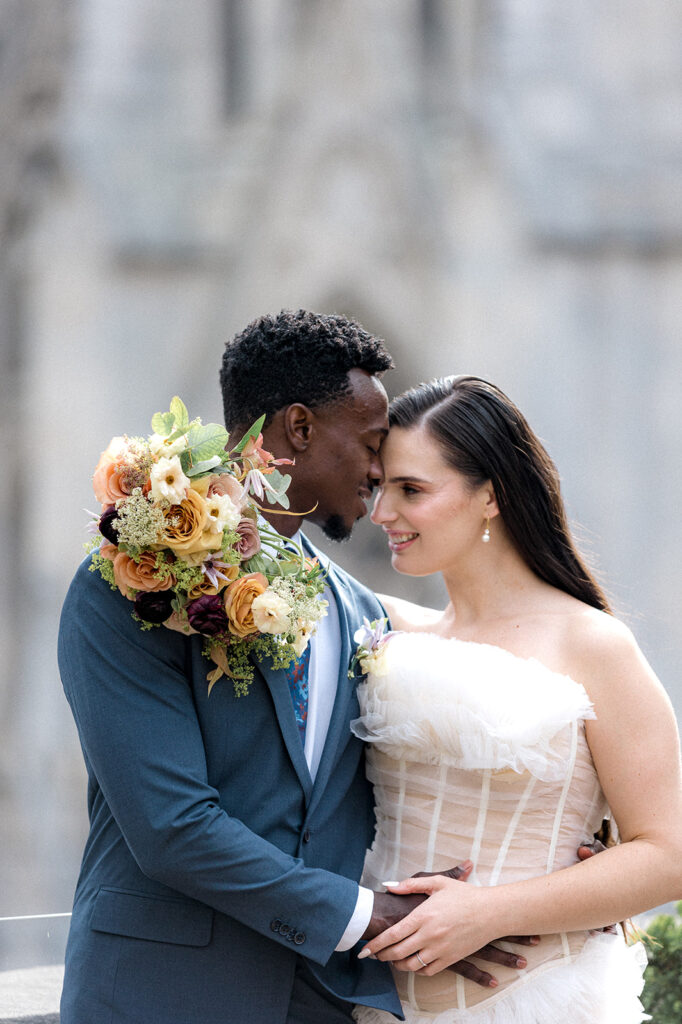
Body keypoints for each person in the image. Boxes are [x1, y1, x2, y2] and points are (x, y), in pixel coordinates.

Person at [58, 312, 524, 1024]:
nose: (380, 474)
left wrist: (566, 838)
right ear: (300, 429)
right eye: (372, 446)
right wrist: (369, 917)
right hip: (157, 994)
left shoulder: (363, 610)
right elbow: (171, 826)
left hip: (320, 1002)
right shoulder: (129, 584)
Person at [351, 374, 682, 1023]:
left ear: (491, 497)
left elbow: (669, 853)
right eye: (378, 487)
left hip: (537, 1001)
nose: (381, 513)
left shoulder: (594, 645)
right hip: (373, 1006)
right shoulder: (381, 628)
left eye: (411, 490)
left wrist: (485, 914)